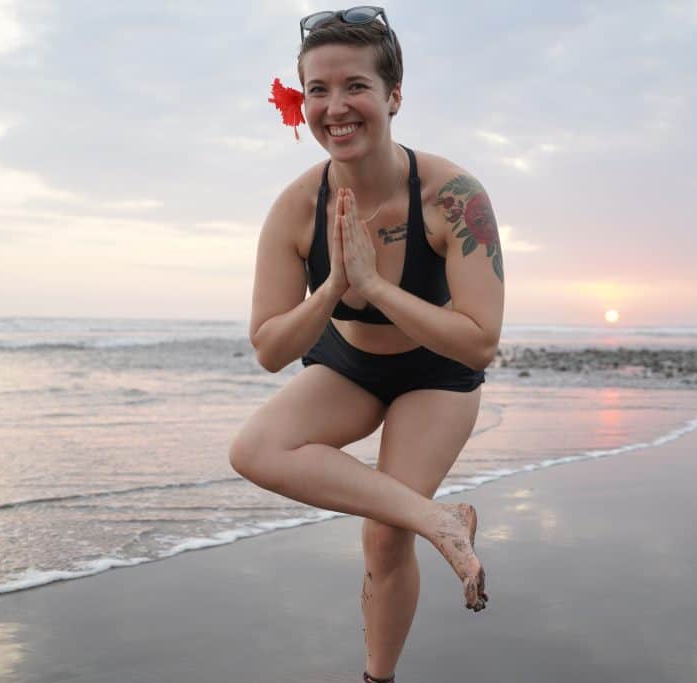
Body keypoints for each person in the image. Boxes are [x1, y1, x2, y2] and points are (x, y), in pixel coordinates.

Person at [229, 7, 505, 683]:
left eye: (355, 85)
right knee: (253, 449)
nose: (335, 106)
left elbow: (480, 343)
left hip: (437, 369)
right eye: (317, 89)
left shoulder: (453, 196)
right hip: (349, 362)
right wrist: (331, 292)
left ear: (393, 97)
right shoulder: (296, 208)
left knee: (383, 535)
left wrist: (378, 290)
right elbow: (268, 346)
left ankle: (377, 677)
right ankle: (442, 520)